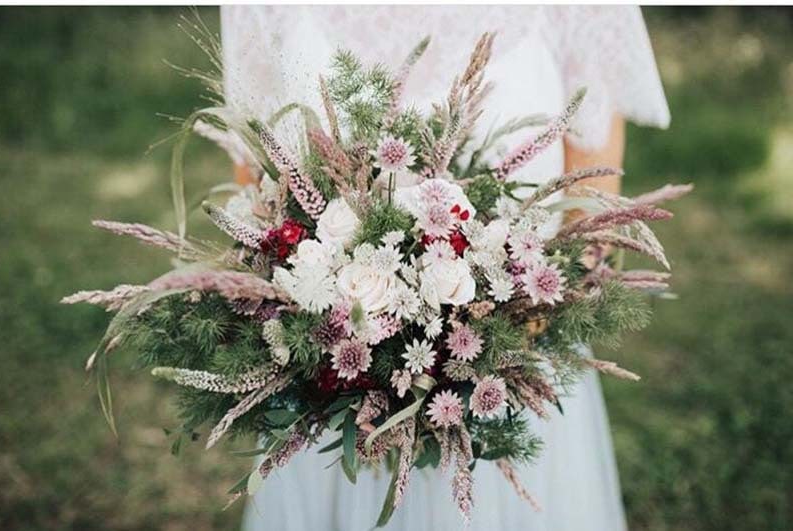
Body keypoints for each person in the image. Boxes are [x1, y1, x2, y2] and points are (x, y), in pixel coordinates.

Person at [218, 5, 670, 530]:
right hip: (325, 384)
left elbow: (594, 193)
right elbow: (254, 176)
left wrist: (516, 325)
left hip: (514, 370)